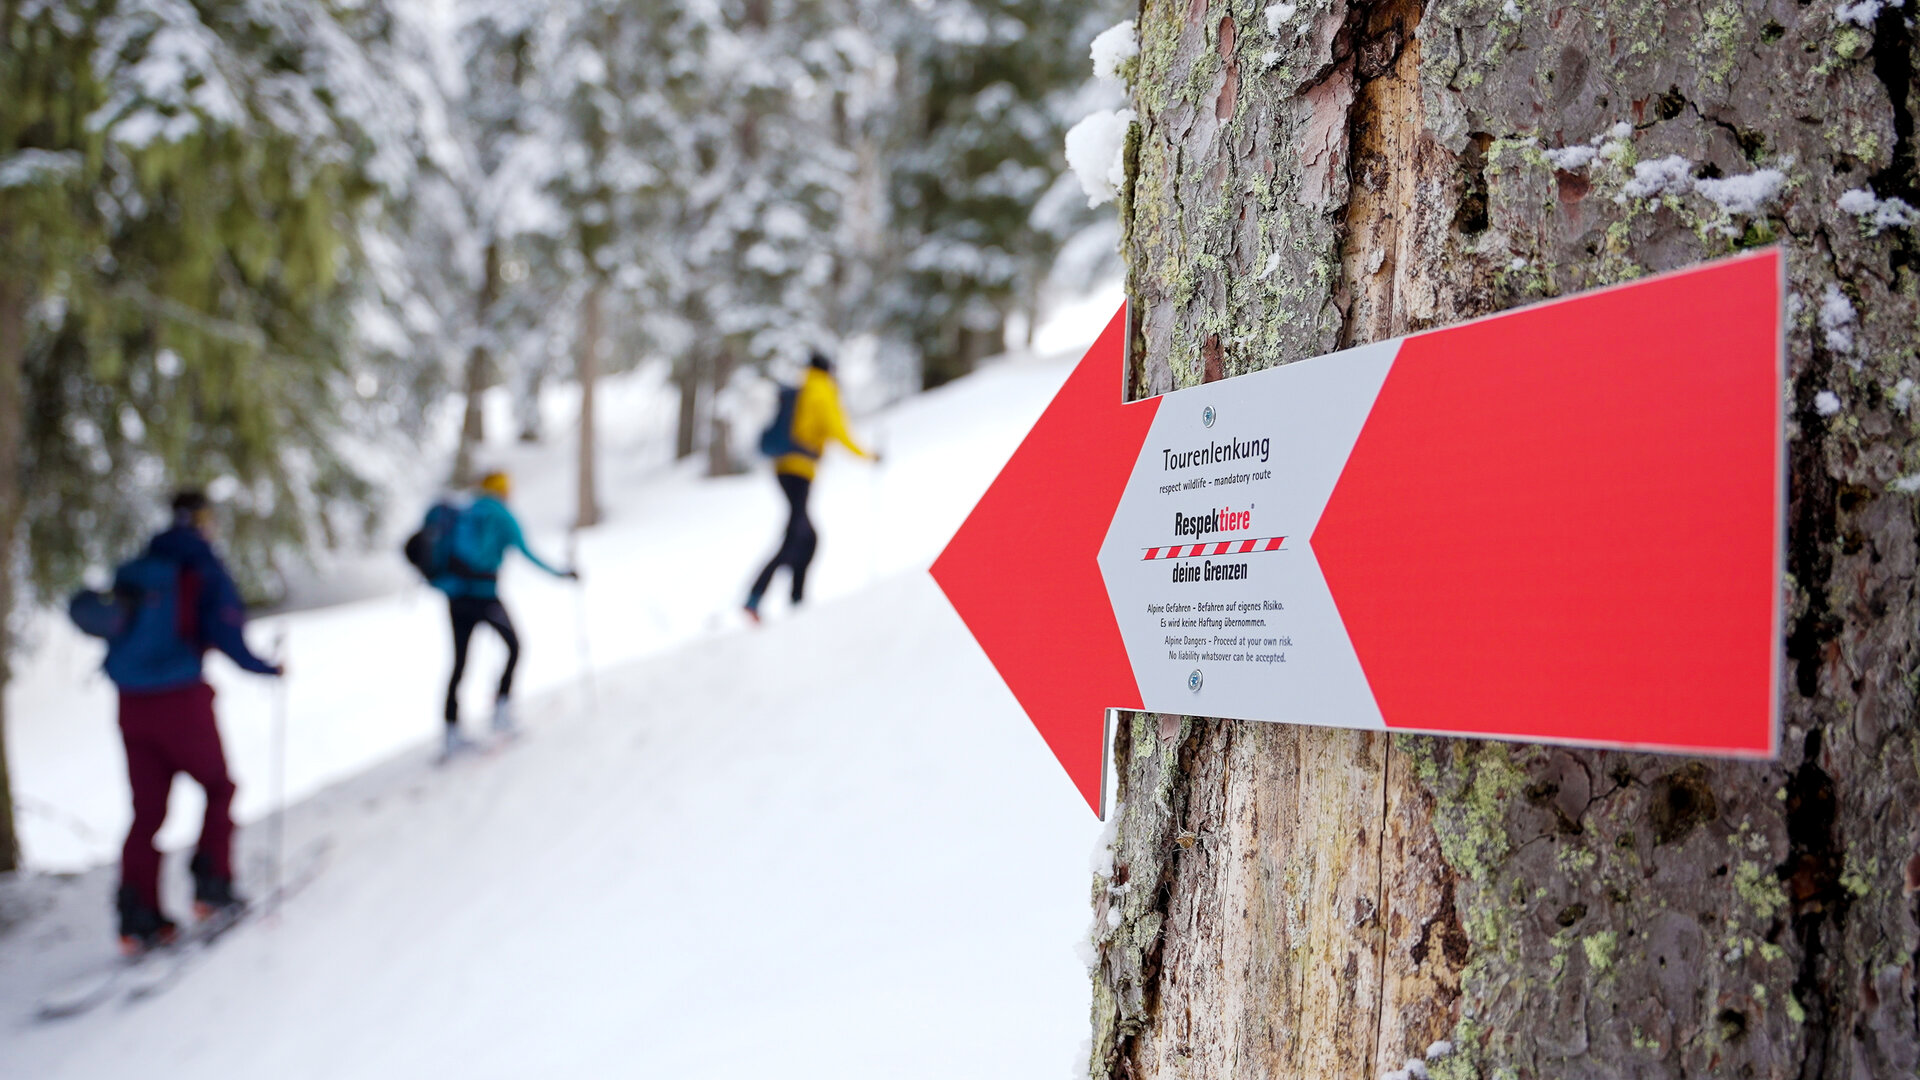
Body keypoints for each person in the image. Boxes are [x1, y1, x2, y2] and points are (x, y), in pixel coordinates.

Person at [105, 490, 283, 953]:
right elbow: (226, 630)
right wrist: (267, 668)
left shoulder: (142, 565)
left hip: (129, 703)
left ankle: (137, 918)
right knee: (219, 787)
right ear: (203, 520)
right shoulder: (201, 566)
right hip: (181, 699)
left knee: (147, 812)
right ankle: (212, 888)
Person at [433, 470, 575, 754]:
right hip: (485, 597)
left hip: (456, 598)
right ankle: (501, 710)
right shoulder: (502, 516)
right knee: (514, 646)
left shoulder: (465, 511)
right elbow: (527, 553)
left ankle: (451, 731)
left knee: (459, 663)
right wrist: (562, 574)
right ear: (503, 490)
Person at [744, 352, 878, 622]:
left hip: (786, 468)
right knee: (799, 536)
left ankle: (790, 600)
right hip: (799, 470)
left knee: (805, 537)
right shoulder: (822, 391)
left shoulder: (804, 386)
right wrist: (869, 456)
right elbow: (839, 431)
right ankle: (760, 598)